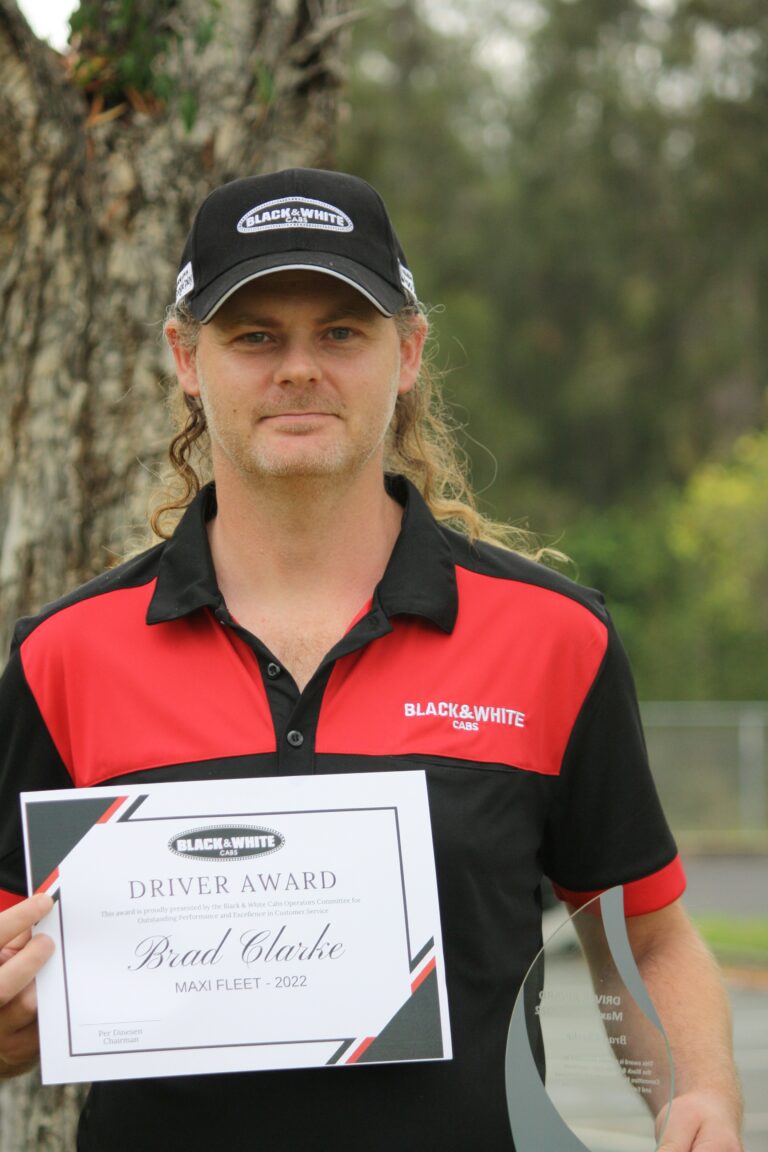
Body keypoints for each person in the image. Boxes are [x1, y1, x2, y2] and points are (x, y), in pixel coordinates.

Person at [0, 168, 743, 1151]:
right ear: (187, 358)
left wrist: (696, 1097)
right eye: (254, 335)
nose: (298, 368)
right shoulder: (66, 656)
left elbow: (643, 934)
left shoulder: (553, 640)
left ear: (408, 353)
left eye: (341, 332)